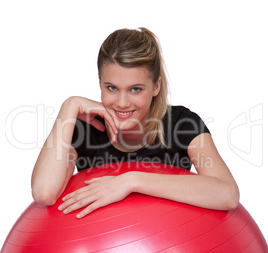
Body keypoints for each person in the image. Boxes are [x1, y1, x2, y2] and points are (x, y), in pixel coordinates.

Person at [31, 27, 239, 219]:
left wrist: (131, 181)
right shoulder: (84, 127)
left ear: (156, 86)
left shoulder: (182, 123)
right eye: (111, 88)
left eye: (135, 89)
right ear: (100, 82)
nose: (122, 103)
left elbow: (227, 193)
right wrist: (69, 106)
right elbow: (44, 193)